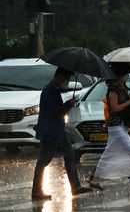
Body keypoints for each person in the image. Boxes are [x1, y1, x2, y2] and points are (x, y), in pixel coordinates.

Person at [31, 67, 92, 200]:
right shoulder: (50, 91)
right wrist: (69, 104)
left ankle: (75, 187)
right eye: (66, 78)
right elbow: (57, 111)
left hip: (58, 130)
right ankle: (36, 191)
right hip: (50, 131)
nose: (66, 81)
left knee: (70, 155)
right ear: (59, 76)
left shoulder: (54, 89)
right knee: (44, 161)